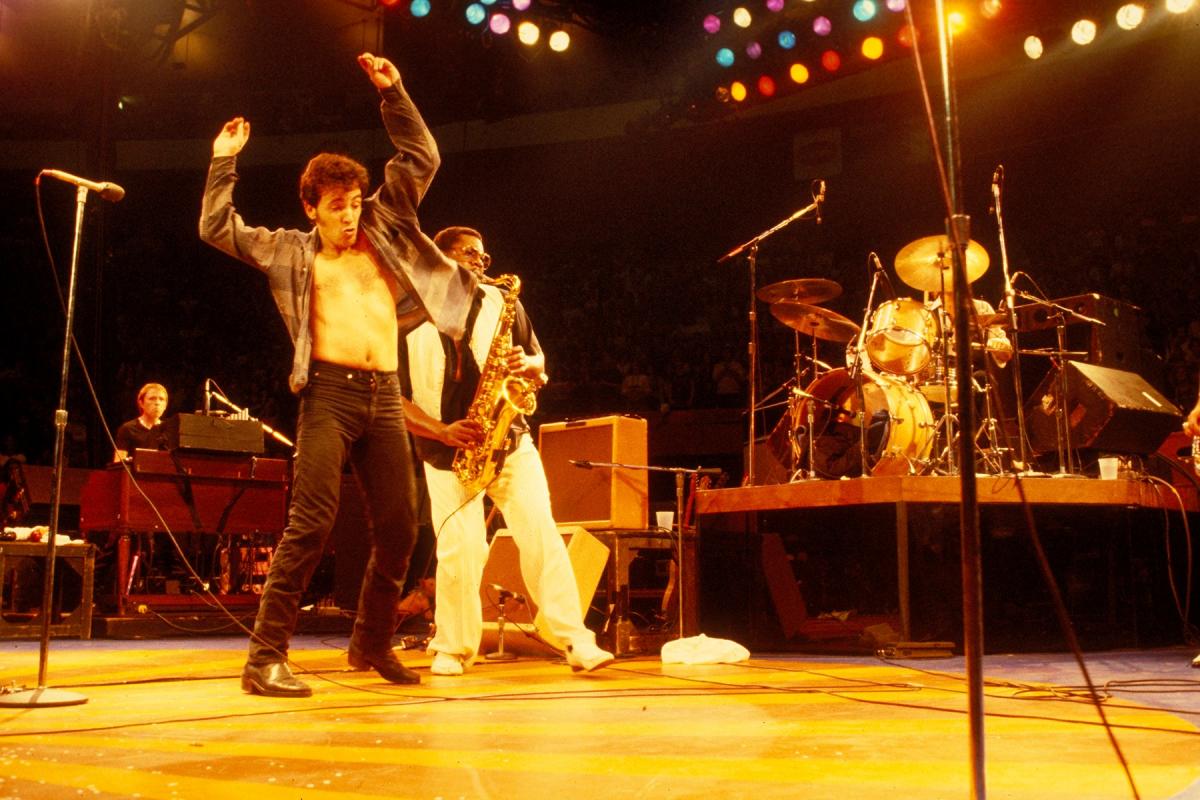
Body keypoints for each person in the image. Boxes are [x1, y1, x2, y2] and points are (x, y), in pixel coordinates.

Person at [199, 52, 476, 697]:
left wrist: (394, 93)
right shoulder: (289, 251)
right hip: (327, 394)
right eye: (337, 206)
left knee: (402, 529)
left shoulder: (384, 223)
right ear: (311, 208)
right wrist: (223, 161)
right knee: (311, 523)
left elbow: (423, 157)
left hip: (385, 397)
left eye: (354, 202)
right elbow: (216, 227)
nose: (350, 215)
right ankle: (264, 659)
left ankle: (371, 643)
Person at [399, 226, 614, 676]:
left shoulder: (503, 303)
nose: (482, 262)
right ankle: (452, 647)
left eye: (484, 256)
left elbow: (539, 362)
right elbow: (390, 398)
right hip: (445, 452)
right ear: (441, 258)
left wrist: (528, 365)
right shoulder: (408, 316)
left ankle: (575, 640)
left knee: (541, 535)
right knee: (460, 549)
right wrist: (441, 431)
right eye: (470, 254)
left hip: (508, 438)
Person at [113, 383, 169, 461]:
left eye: (161, 399)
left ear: (165, 405)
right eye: (152, 398)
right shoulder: (128, 429)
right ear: (141, 403)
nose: (157, 403)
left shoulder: (169, 430)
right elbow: (118, 462)